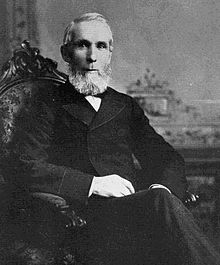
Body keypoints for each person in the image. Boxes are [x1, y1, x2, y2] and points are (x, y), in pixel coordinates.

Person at [4, 12, 220, 265]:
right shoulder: (46, 103)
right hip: (82, 219)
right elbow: (24, 165)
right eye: (83, 45)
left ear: (109, 52)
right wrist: (92, 184)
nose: (92, 56)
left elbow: (165, 156)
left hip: (137, 209)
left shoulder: (123, 105)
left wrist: (162, 187)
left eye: (101, 46)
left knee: (162, 202)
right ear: (65, 53)